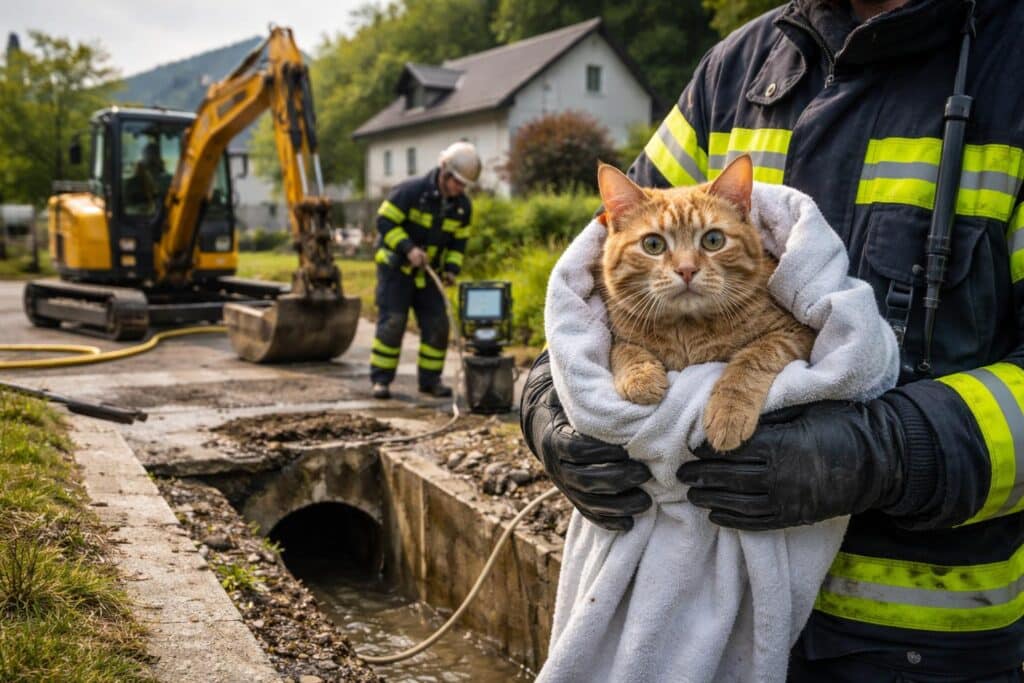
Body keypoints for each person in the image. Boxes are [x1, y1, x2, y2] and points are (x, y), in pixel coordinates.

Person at [520, 1, 1024, 680]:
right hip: (697, 615)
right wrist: (549, 401)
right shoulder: (735, 69)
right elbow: (601, 264)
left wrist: (886, 453)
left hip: (915, 639)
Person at [370, 141, 480, 400]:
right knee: (393, 324)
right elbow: (384, 221)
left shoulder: (462, 206)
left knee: (437, 326)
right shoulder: (410, 191)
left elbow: (458, 242)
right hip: (396, 271)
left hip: (430, 275)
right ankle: (381, 381)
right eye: (458, 182)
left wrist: (452, 269)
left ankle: (430, 382)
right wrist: (408, 249)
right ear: (445, 172)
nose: (460, 189)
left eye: (465, 185)